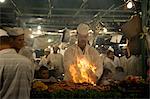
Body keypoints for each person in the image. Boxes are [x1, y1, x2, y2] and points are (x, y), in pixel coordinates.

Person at [0, 29, 34, 99]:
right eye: (19, 40)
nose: (22, 43)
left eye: (22, 40)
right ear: (11, 41)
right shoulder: (27, 62)